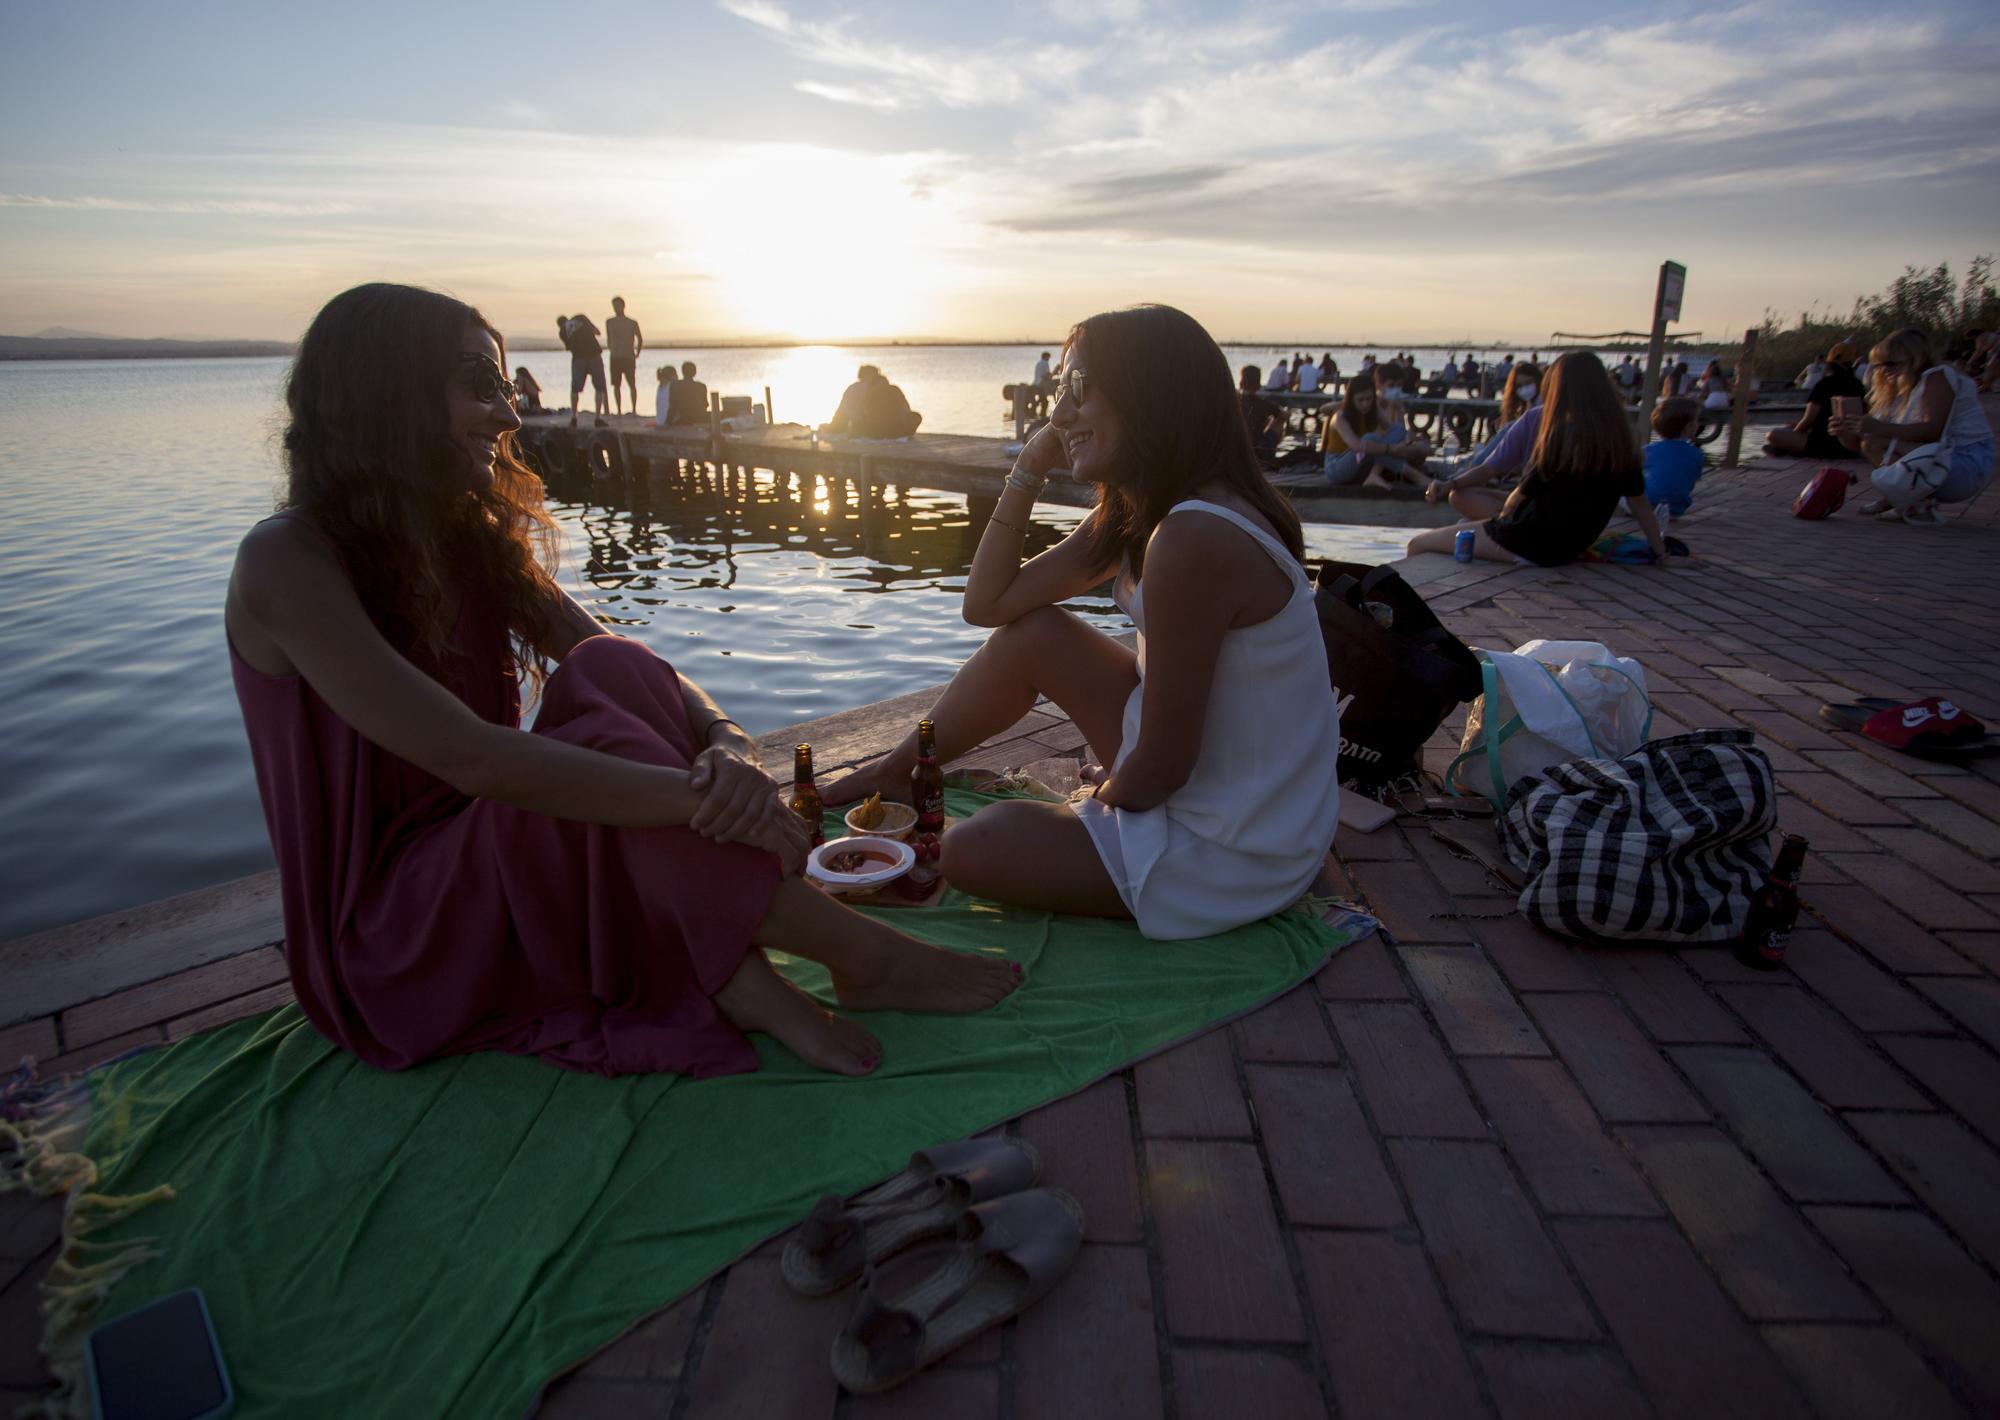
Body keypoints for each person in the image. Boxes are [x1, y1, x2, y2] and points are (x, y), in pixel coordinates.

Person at [224, 284, 1018, 1082]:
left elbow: (623, 661)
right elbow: (475, 760)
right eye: (478, 383)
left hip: (502, 871)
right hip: (395, 945)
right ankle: (848, 959)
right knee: (591, 758)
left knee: (611, 670)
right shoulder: (287, 562)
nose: (506, 415)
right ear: (379, 390)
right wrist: (701, 801)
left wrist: (728, 745)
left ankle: (739, 971)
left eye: (505, 385)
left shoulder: (459, 537)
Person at [824, 304, 1340, 939]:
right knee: (1033, 635)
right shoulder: (1149, 511)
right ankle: (895, 768)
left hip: (1236, 842)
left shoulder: (1193, 537)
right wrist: (1026, 470)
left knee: (971, 849)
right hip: (1214, 777)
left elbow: (1165, 764)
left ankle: (1072, 838)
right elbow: (986, 606)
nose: (1058, 411)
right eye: (1060, 388)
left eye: (1078, 388)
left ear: (1149, 392)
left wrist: (1091, 809)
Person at [1411, 352, 1666, 565]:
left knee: (1419, 544)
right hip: (1571, 543)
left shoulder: (1560, 437)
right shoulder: (1620, 438)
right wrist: (1661, 553)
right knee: (1466, 520)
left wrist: (1500, 521)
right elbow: (1639, 502)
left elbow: (1516, 500)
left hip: (1530, 543)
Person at [1833, 326, 1996, 524]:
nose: (1884, 370)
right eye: (1879, 365)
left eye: (1891, 364)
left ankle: (1917, 504)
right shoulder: (1896, 389)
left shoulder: (1937, 377)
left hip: (1965, 463)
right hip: (1938, 460)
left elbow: (1933, 431)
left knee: (1877, 440)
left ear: (1914, 359)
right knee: (1872, 441)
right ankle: (1900, 500)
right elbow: (1862, 444)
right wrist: (1844, 432)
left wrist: (1878, 427)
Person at [1763, 340, 1866, 459]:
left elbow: (1809, 420)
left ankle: (1787, 450)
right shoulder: (1859, 385)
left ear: (1830, 363)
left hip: (1821, 444)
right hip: (1850, 446)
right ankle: (1785, 448)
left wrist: (1795, 432)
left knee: (1772, 435)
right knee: (1789, 429)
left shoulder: (1824, 384)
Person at [1322, 375, 1430, 487]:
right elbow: (1357, 447)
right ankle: (1413, 475)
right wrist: (1391, 448)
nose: (1365, 404)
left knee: (1398, 429)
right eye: (1360, 400)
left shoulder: (1373, 411)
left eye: (1369, 399)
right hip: (1337, 469)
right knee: (1370, 439)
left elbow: (1393, 431)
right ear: (1351, 399)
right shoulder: (1340, 417)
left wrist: (1410, 441)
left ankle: (1373, 475)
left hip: (1361, 463)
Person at [1642, 397, 1704, 517]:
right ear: (1690, 426)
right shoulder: (1696, 454)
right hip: (1675, 509)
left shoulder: (1648, 450)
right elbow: (1692, 478)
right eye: (1697, 420)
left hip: (1646, 505)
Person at [560, 313, 608, 427]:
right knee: (599, 387)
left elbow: (569, 347)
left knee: (575, 389)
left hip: (578, 358)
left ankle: (574, 417)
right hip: (594, 355)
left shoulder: (562, 331)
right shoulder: (580, 317)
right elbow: (597, 331)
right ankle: (597, 418)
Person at [605, 296, 643, 417]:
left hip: (628, 357)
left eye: (618, 305)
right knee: (616, 384)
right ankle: (619, 410)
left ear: (623, 306)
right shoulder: (609, 322)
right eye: (614, 306)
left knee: (632, 383)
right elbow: (608, 337)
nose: (616, 308)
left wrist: (638, 352)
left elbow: (640, 338)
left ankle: (634, 409)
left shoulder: (632, 322)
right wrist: (611, 347)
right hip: (615, 357)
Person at [1239, 365, 1283, 459]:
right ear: (1258, 384)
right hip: (1259, 451)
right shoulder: (1264, 404)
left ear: (1241, 382)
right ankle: (1271, 451)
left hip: (1238, 450)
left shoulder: (1233, 402)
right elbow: (1285, 415)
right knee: (1278, 419)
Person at [668, 359, 709, 425]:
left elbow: (672, 407)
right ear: (695, 372)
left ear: (682, 372)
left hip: (683, 420)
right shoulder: (702, 386)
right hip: (700, 419)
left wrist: (667, 423)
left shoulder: (675, 385)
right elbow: (705, 405)